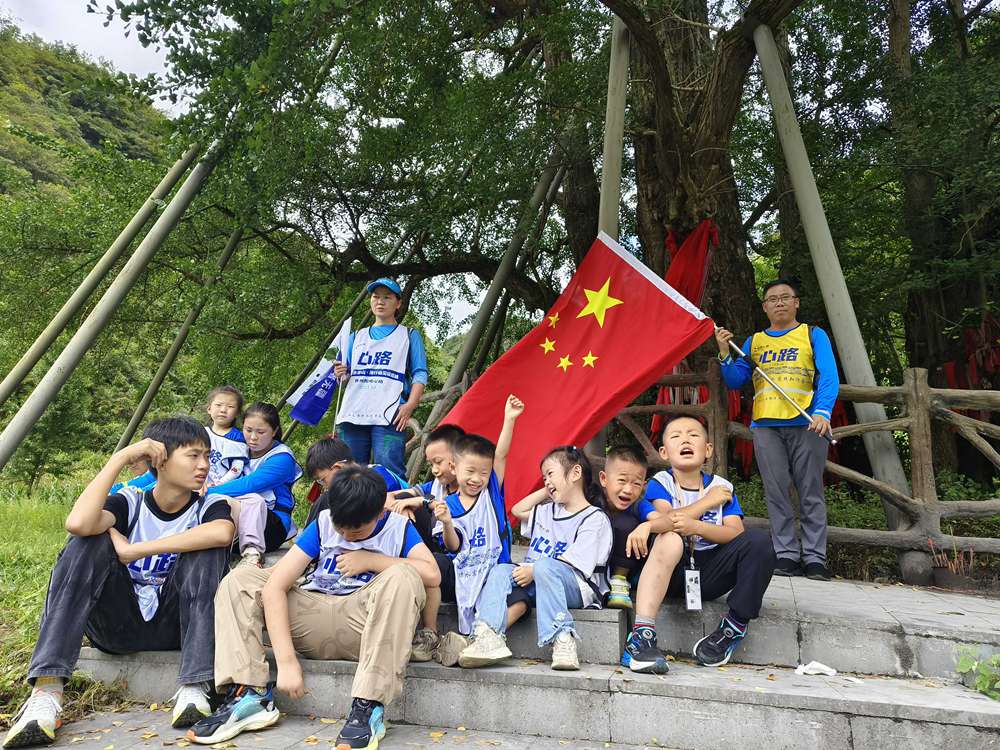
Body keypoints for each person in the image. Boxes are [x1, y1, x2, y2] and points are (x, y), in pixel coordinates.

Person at [3, 418, 235, 749]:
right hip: (118, 627)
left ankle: (195, 686)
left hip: (177, 627)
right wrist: (120, 458)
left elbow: (223, 532)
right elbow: (78, 522)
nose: (204, 465)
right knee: (87, 541)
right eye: (193, 456)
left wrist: (135, 550)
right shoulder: (131, 502)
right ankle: (47, 692)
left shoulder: (209, 505)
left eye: (207, 456)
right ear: (160, 459)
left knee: (207, 546)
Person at [187, 466, 440, 750]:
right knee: (240, 579)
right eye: (341, 528)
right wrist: (286, 663)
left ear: (380, 513)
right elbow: (275, 586)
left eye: (356, 531)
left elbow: (432, 574)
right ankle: (249, 694)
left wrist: (371, 560)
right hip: (312, 617)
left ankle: (368, 707)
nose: (346, 535)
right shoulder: (323, 523)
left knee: (404, 575)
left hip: (364, 624)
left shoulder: (397, 527)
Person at [622, 416, 776, 674]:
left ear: (708, 449)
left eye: (693, 435)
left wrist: (698, 527)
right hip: (672, 571)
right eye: (676, 436)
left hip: (711, 570)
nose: (685, 439)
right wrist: (707, 503)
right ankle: (642, 635)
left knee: (760, 542)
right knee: (670, 538)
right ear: (664, 452)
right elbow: (668, 521)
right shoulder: (661, 482)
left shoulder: (722, 487)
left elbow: (735, 533)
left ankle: (733, 628)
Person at [715, 279, 840, 581]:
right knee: (776, 491)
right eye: (773, 299)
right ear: (765, 307)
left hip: (807, 422)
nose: (779, 303)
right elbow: (735, 380)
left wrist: (823, 411)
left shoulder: (812, 334)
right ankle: (786, 554)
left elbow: (829, 375)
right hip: (766, 426)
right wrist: (724, 352)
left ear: (797, 302)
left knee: (811, 491)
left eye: (785, 297)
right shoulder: (755, 341)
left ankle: (815, 557)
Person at [458, 446, 612, 671]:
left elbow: (576, 566)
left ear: (575, 473)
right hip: (538, 578)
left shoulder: (594, 518)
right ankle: (488, 636)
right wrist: (549, 489)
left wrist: (534, 570)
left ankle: (562, 638)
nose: (546, 481)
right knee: (500, 570)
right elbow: (518, 510)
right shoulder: (548, 511)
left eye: (550, 474)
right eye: (544, 477)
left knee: (544, 567)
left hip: (578, 587)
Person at [437, 396, 523, 639]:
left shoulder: (491, 494)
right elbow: (453, 546)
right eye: (470, 471)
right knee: (435, 563)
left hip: (495, 573)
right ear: (454, 468)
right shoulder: (448, 504)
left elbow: (501, 455)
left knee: (523, 601)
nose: (477, 479)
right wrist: (446, 522)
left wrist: (509, 419)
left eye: (483, 473)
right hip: (462, 576)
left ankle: (486, 635)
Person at [333, 277, 429, 478]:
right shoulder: (355, 337)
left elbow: (420, 373)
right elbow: (345, 376)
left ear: (398, 303)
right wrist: (340, 373)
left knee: (389, 473)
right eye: (376, 297)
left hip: (389, 414)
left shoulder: (409, 335)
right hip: (353, 413)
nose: (380, 302)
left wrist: (410, 405)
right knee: (350, 474)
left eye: (387, 297)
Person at [208, 403, 302, 567]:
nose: (252, 437)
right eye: (248, 430)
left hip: (271, 525)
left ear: (274, 431)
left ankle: (253, 555)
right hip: (237, 514)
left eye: (260, 432)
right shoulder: (237, 449)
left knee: (252, 499)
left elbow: (249, 484)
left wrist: (206, 492)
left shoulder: (282, 458)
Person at [599, 445, 656, 610]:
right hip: (594, 565)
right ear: (604, 479)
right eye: (622, 481)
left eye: (636, 483)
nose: (628, 490)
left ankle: (619, 582)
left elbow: (665, 521)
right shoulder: (592, 499)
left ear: (644, 485)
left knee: (628, 523)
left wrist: (647, 526)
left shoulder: (639, 505)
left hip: (626, 569)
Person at [203, 386, 249, 487]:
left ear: (237, 413)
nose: (223, 410)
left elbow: (237, 468)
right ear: (209, 409)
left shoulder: (237, 438)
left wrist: (219, 484)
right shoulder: (201, 432)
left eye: (230, 407)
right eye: (218, 405)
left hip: (224, 488)